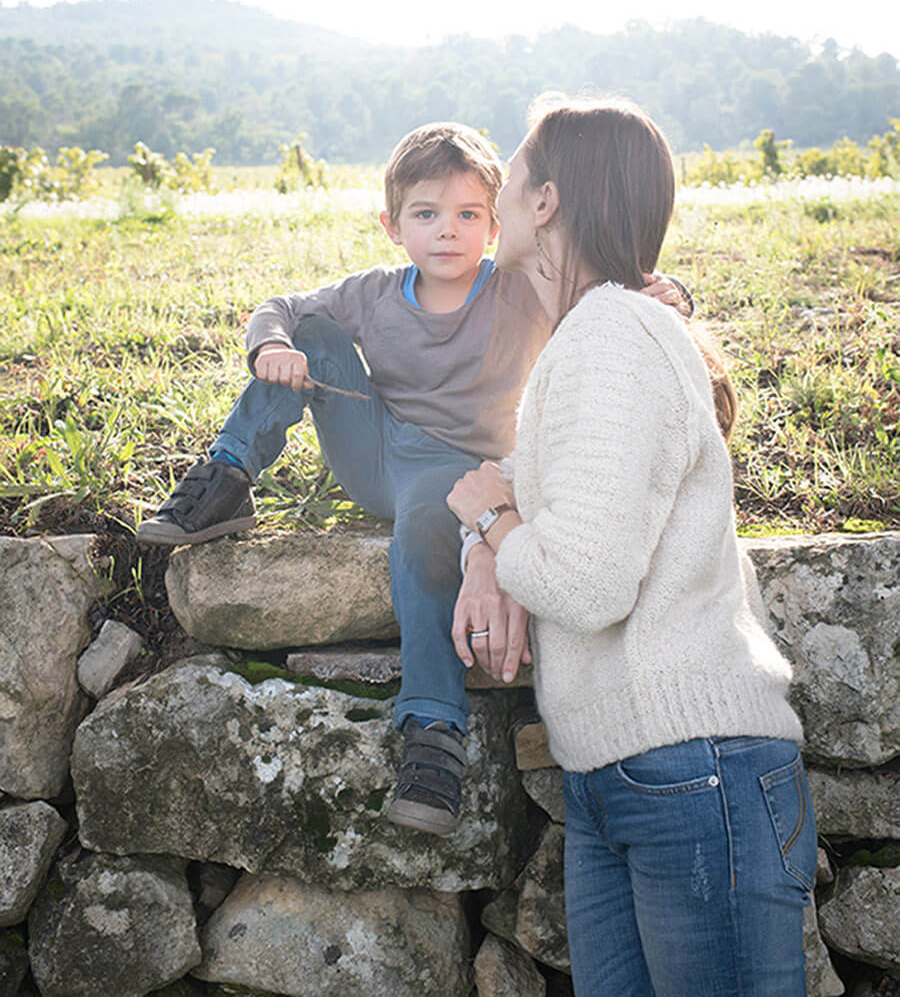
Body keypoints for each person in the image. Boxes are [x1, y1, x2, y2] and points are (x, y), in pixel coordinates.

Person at [138, 120, 689, 836]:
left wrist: (668, 289)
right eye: (426, 215)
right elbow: (281, 308)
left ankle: (433, 731)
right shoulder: (374, 293)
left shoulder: (518, 290)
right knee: (313, 336)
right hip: (375, 454)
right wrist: (273, 343)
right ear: (393, 225)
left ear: (496, 224)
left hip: (455, 476)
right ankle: (226, 476)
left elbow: (604, 285)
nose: (448, 232)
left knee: (424, 534)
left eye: (468, 215)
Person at [447, 96, 815, 995]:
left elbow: (584, 577)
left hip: (690, 773)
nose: (496, 189)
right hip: (629, 776)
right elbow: (564, 506)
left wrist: (494, 521)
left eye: (518, 168)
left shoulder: (613, 332)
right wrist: (488, 541)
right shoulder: (594, 336)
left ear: (546, 203)